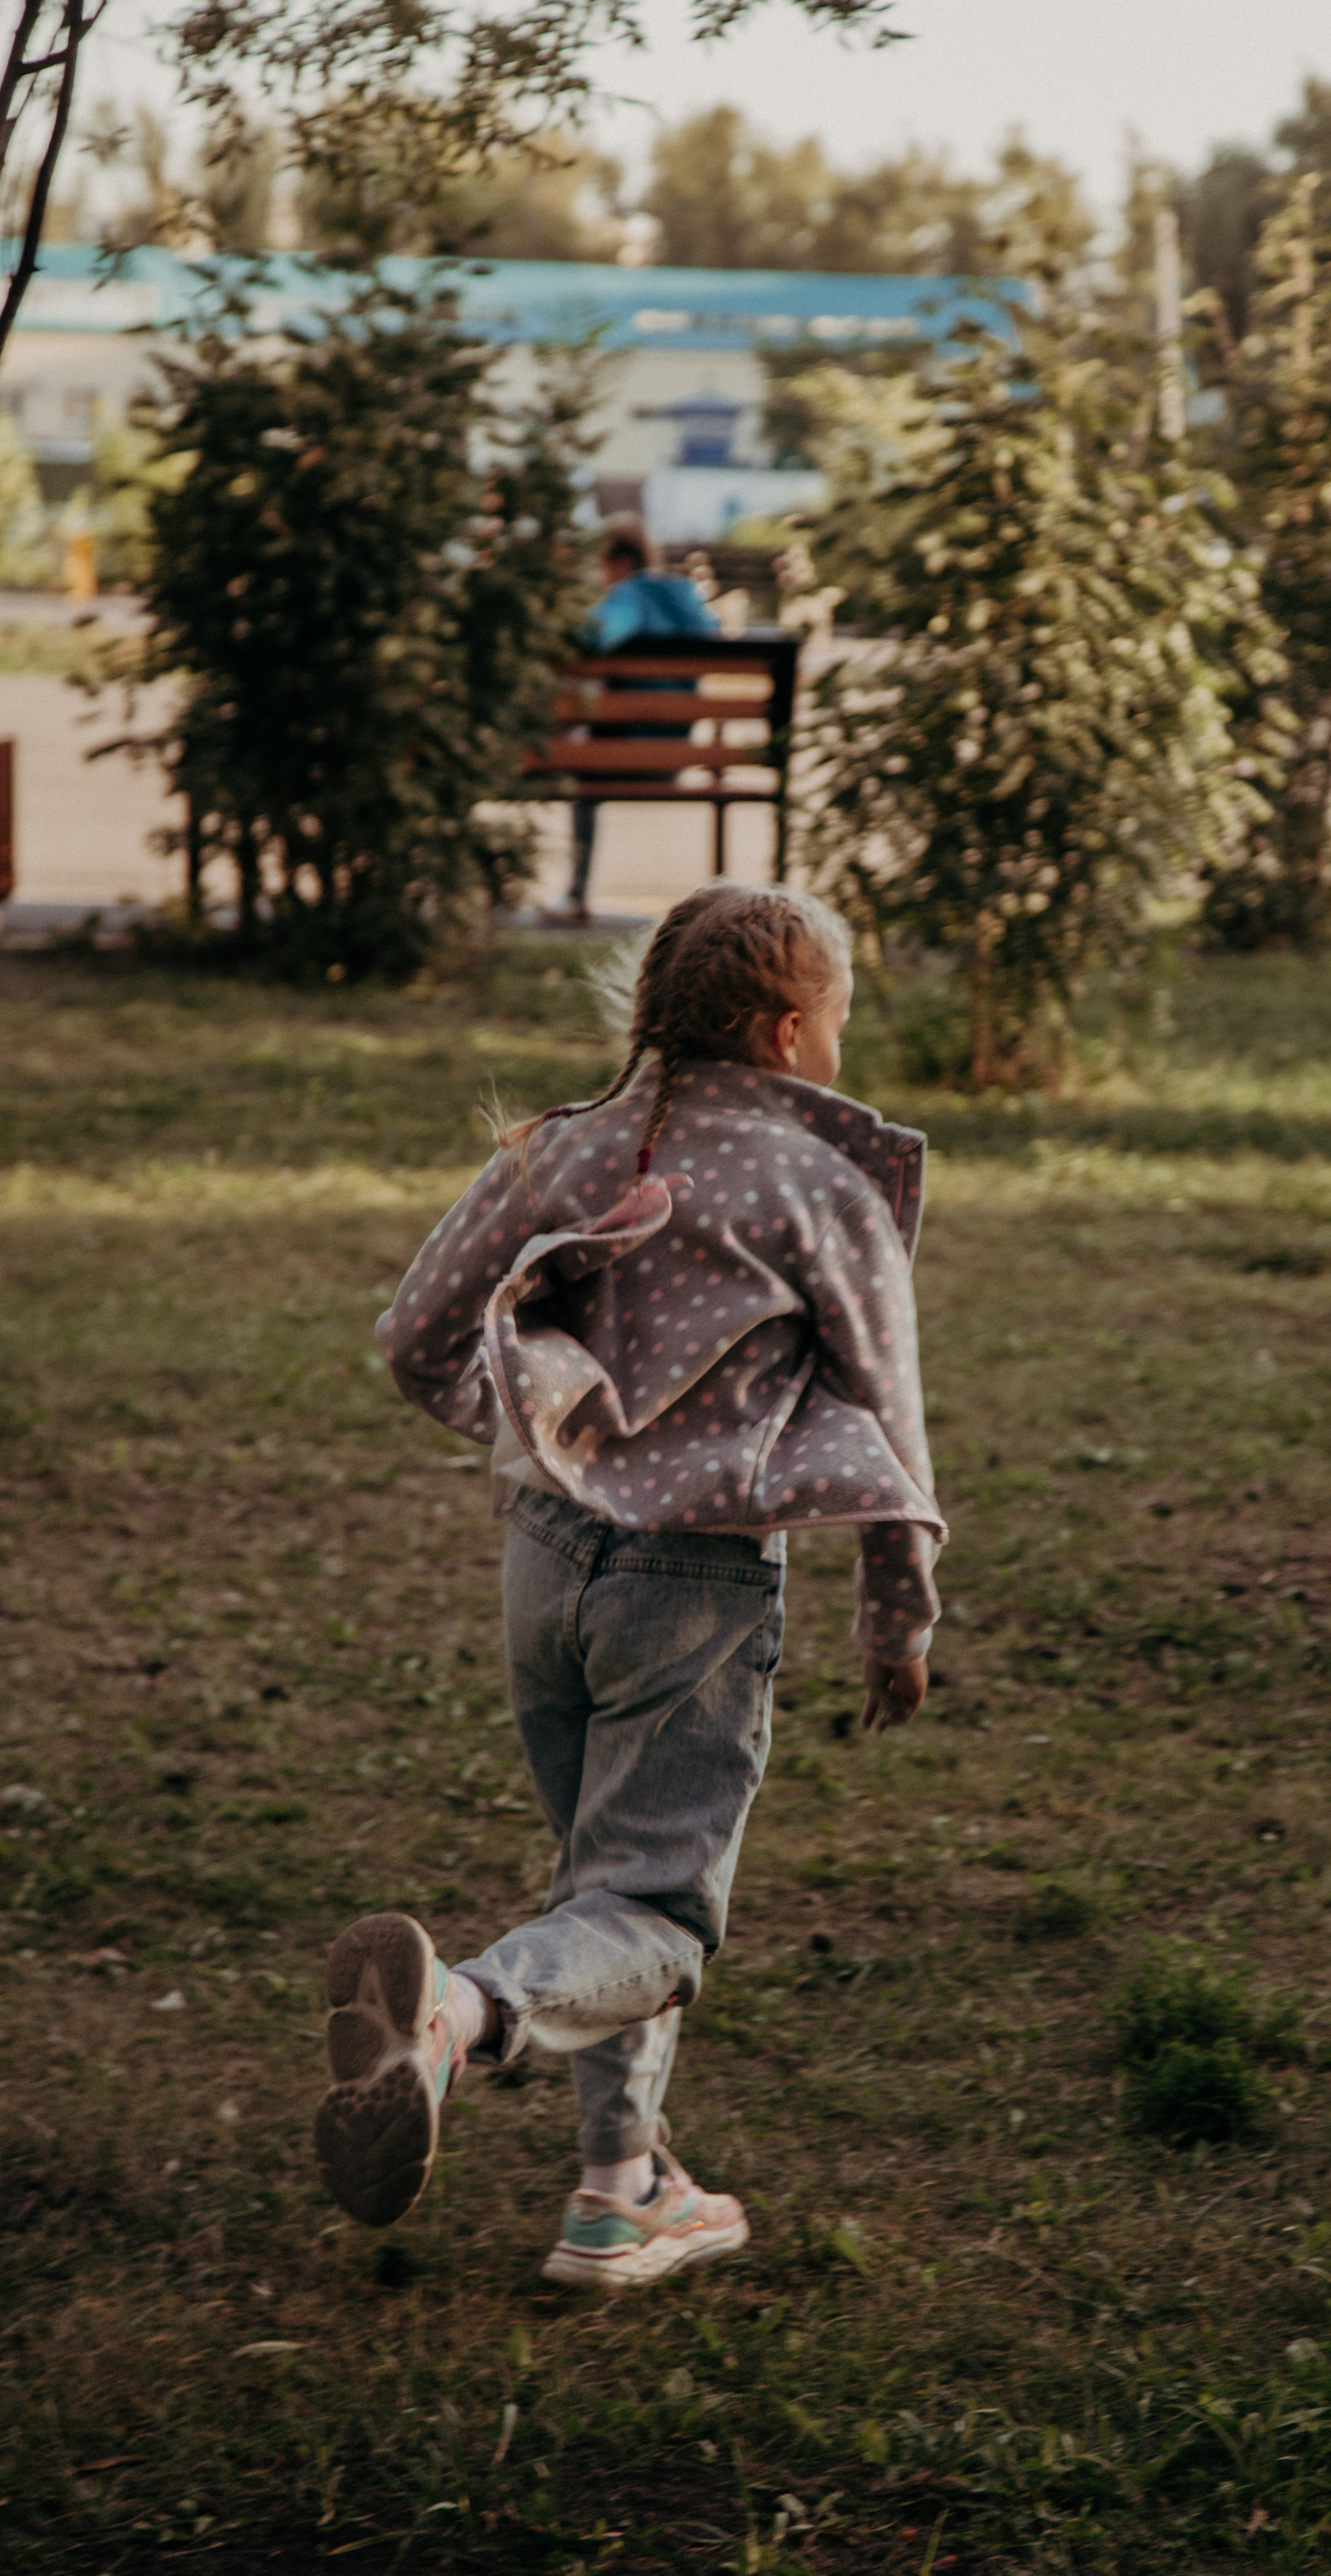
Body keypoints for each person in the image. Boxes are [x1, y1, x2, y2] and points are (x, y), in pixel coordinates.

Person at [313, 884, 944, 2290]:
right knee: (649, 1914)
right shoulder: (816, 1184)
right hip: (695, 1585)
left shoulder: (562, 1151)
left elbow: (417, 1339)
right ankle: (458, 2019)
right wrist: (898, 1620)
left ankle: (617, 2194)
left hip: (541, 1563)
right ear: (789, 1030)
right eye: (838, 1015)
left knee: (600, 1883)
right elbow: (888, 1415)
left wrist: (551, 1436)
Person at [562, 515, 719, 925]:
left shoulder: (628, 596)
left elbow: (595, 636)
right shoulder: (687, 598)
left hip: (622, 756)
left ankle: (576, 893)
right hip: (675, 757)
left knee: (579, 750)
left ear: (618, 562)